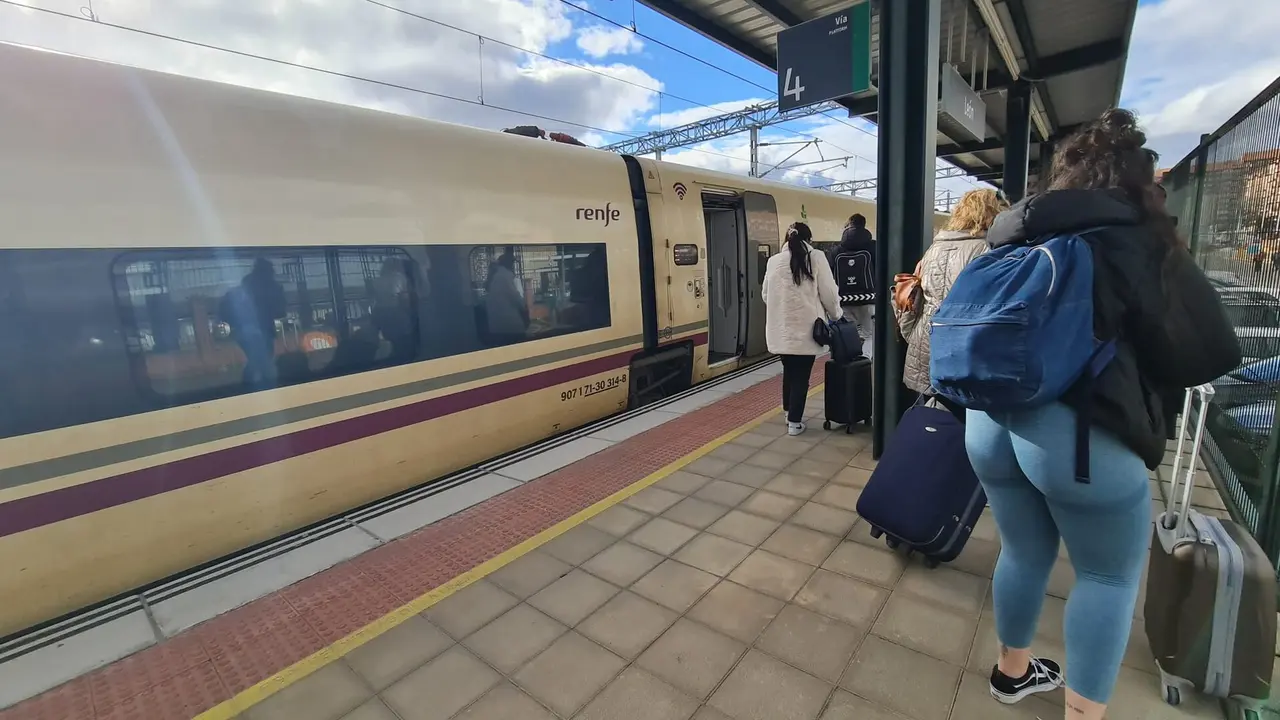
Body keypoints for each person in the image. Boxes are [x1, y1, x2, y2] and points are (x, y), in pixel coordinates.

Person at [964, 109, 1241, 720]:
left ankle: (1012, 675)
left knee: (1023, 550)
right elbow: (1212, 348)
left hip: (988, 422)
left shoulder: (1014, 233)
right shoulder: (1135, 240)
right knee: (1107, 578)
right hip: (1075, 436)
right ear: (1138, 181)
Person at [894, 188, 1004, 420]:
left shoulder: (933, 250)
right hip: (968, 351)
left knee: (934, 421)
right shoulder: (990, 250)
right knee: (969, 425)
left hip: (928, 344)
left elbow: (910, 306)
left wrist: (914, 338)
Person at [763, 222, 843, 436]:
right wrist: (837, 315)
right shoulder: (816, 257)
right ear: (809, 239)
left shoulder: (774, 261)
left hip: (780, 330)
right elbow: (829, 293)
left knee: (789, 371)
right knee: (801, 376)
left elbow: (765, 295)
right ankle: (795, 423)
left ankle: (788, 412)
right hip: (808, 330)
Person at [830, 213, 876, 343]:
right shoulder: (874, 247)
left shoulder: (836, 250)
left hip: (845, 301)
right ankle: (866, 360)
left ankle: (853, 360)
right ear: (864, 225)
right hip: (868, 300)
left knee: (850, 335)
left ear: (849, 225)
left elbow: (830, 273)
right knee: (868, 335)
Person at [484, 250, 529, 346]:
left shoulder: (495, 276)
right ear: (509, 264)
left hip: (496, 326)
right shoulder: (504, 277)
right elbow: (516, 298)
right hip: (510, 327)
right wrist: (524, 307)